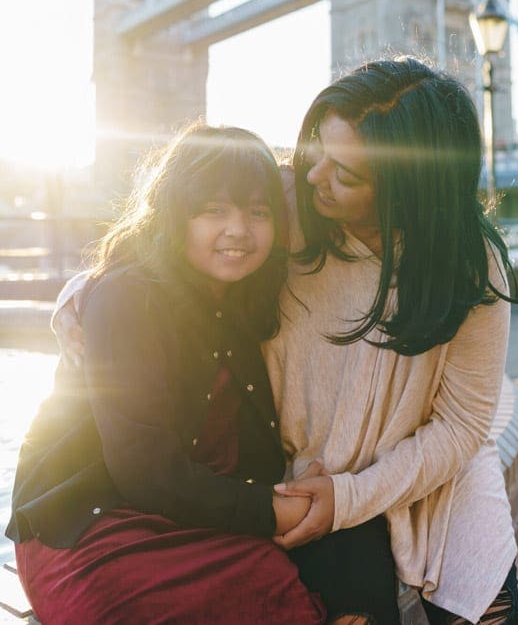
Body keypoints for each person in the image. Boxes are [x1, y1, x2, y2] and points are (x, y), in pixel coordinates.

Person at [48, 57, 518, 624]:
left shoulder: (472, 266)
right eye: (317, 146)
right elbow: (166, 234)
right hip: (302, 484)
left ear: (407, 190)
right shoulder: (279, 203)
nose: (316, 174)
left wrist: (354, 495)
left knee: (489, 606)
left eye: (346, 174)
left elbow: (464, 425)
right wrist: (82, 293)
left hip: (424, 478)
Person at [6, 124, 335, 624]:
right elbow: (142, 466)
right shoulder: (128, 295)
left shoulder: (251, 296)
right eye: (213, 210)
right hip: (92, 527)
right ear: (174, 213)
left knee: (273, 580)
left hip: (188, 517)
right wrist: (269, 509)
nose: (238, 230)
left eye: (258, 212)